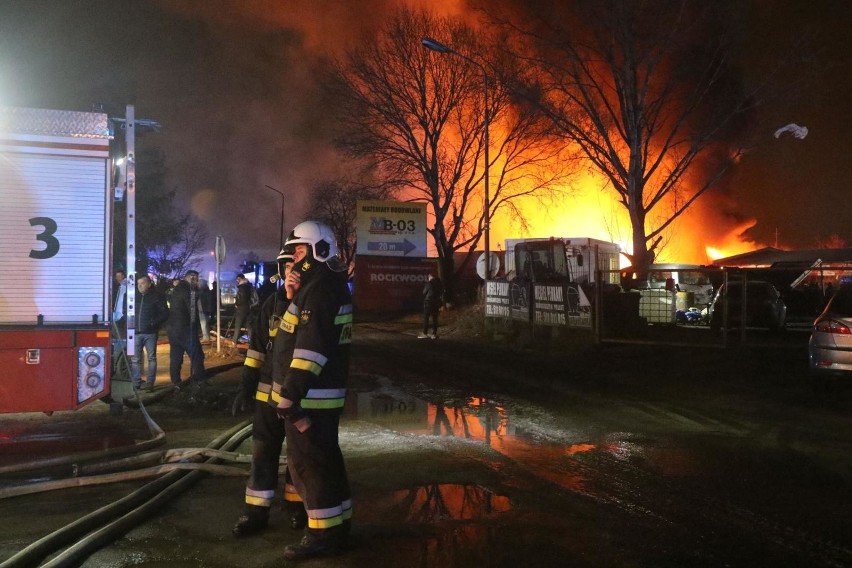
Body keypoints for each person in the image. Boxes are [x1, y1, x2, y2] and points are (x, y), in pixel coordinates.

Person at [271, 220, 353, 560]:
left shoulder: (319, 290)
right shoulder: (319, 287)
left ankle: (321, 536)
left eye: (301, 251)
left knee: (311, 466)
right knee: (326, 460)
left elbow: (310, 349)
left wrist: (290, 394)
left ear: (319, 251)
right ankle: (338, 525)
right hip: (317, 397)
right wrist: (291, 296)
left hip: (309, 399)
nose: (294, 260)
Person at [232, 245, 307, 537]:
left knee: (298, 457)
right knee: (263, 454)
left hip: (298, 397)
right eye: (288, 268)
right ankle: (255, 512)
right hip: (267, 398)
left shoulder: (313, 306)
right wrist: (245, 387)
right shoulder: (270, 307)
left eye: (297, 267)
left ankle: (295, 506)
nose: (291, 273)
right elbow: (256, 351)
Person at [166, 270, 206, 390]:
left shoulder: (177, 289)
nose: (197, 281)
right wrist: (195, 326)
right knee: (196, 354)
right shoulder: (189, 291)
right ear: (191, 278)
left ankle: (175, 382)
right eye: (196, 279)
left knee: (176, 356)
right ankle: (200, 380)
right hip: (185, 328)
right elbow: (192, 310)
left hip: (173, 329)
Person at [131, 275, 169, 390]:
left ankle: (150, 383)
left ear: (149, 284)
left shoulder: (156, 296)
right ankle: (136, 383)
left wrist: (153, 323)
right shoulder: (134, 296)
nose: (139, 286)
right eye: (138, 283)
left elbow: (165, 313)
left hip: (150, 333)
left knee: (151, 358)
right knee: (135, 359)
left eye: (142, 283)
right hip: (136, 332)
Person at [418, 273, 443, 339]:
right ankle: (434, 334)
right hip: (436, 303)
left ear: (431, 277)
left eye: (428, 277)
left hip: (428, 302)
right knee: (435, 319)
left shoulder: (429, 284)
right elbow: (441, 293)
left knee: (426, 318)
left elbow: (424, 292)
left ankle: (424, 333)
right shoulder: (440, 284)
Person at [232, 273, 253, 343]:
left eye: (238, 279)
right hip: (247, 308)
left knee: (238, 325)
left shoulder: (242, 287)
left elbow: (242, 299)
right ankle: (252, 342)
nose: (237, 280)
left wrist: (237, 303)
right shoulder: (248, 286)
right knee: (248, 325)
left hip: (241, 309)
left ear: (241, 279)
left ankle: (234, 341)